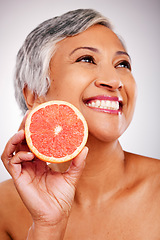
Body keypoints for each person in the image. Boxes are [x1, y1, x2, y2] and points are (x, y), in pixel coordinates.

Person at [0, 8, 160, 240]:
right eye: (86, 59)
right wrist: (47, 227)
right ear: (34, 94)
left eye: (122, 64)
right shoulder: (3, 208)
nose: (114, 81)